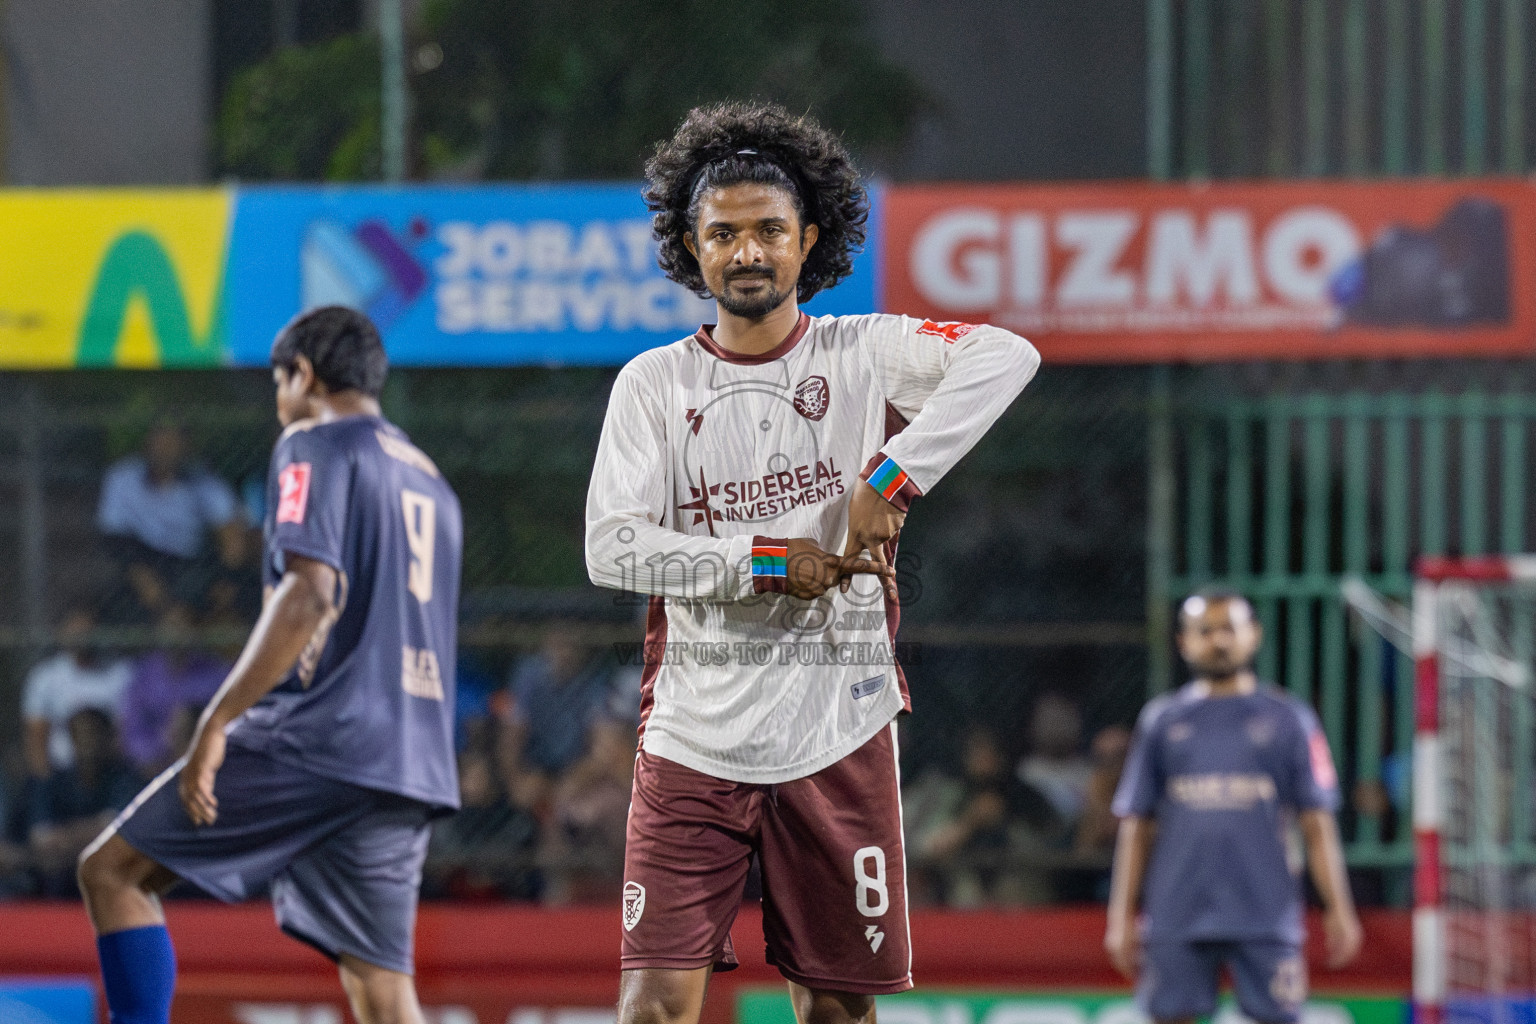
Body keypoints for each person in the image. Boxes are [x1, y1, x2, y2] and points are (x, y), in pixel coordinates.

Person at [585, 101, 1039, 1024]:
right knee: (651, 1009)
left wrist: (892, 475)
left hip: (839, 726)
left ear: (809, 239)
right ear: (690, 246)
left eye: (768, 232)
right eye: (723, 235)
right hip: (691, 740)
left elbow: (1005, 354)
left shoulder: (864, 351)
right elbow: (611, 545)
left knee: (836, 1010)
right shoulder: (653, 383)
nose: (746, 252)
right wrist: (760, 561)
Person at [77, 306, 463, 1024]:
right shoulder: (431, 481)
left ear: (304, 375)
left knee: (113, 871)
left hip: (322, 739)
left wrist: (219, 719)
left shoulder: (312, 442)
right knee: (383, 990)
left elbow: (310, 593)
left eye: (278, 381)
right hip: (410, 756)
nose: (277, 400)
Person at [1104, 588, 1363, 1024]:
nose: (1219, 640)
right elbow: (1136, 826)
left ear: (1254, 636)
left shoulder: (1289, 720)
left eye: (1229, 629)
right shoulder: (1162, 722)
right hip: (1177, 913)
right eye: (1206, 631)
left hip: (1266, 912)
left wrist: (1339, 907)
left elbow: (1317, 823)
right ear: (1184, 641)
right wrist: (1120, 915)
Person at [97, 418, 246, 622]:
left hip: (188, 566)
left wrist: (226, 580)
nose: (165, 448)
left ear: (185, 447)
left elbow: (232, 537)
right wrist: (159, 599)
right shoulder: (122, 477)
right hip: (137, 560)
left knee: (223, 595)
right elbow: (115, 539)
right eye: (160, 440)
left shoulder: (203, 482)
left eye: (173, 441)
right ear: (148, 441)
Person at [29, 709, 140, 896]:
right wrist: (87, 835)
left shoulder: (126, 778)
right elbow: (41, 837)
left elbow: (115, 827)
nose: (87, 742)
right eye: (80, 735)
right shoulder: (55, 782)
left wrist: (66, 837)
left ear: (108, 737)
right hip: (59, 870)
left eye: (93, 734)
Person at [22, 602, 132, 780]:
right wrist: (45, 780)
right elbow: (36, 739)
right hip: (61, 776)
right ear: (62, 632)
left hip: (109, 774)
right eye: (75, 630)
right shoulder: (44, 677)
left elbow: (125, 731)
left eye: (87, 630)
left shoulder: (120, 674)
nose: (82, 636)